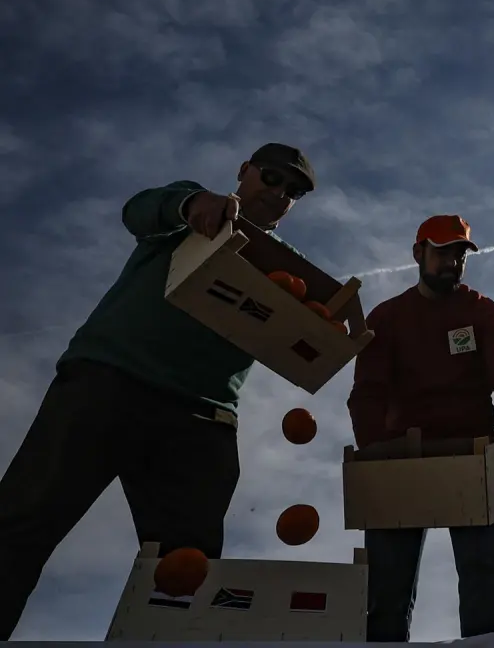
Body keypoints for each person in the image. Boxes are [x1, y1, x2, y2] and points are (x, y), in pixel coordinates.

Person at [0, 143, 316, 640]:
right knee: (22, 522)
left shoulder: (289, 268)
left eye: (293, 191)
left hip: (203, 415)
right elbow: (139, 210)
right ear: (244, 171)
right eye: (271, 178)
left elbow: (312, 334)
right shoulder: (190, 209)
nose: (279, 194)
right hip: (108, 382)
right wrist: (191, 205)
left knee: (188, 565)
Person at [347, 214, 494, 641]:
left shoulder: (481, 311)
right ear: (418, 253)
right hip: (400, 460)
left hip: (471, 456)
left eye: (460, 254)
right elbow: (368, 391)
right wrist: (373, 451)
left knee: (483, 574)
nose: (452, 262)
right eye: (442, 252)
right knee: (387, 585)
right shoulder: (388, 316)